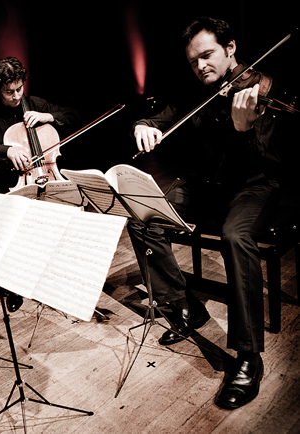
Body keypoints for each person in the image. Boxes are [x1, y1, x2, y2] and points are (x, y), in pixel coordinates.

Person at [128, 17, 283, 409]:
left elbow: (267, 162)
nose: (200, 66)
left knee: (235, 236)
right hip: (208, 186)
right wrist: (143, 125)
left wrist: (244, 130)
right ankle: (183, 306)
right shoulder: (196, 92)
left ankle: (249, 357)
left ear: (230, 47)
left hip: (253, 185)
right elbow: (161, 116)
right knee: (141, 216)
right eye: (194, 60)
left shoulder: (259, 89)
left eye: (208, 55)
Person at [0, 56, 81, 312]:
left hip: (46, 176)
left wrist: (48, 116)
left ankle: (62, 274)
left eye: (19, 89)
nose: (16, 96)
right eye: (9, 92)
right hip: (6, 184)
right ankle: (12, 284)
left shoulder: (34, 104)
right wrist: (5, 150)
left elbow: (74, 115)